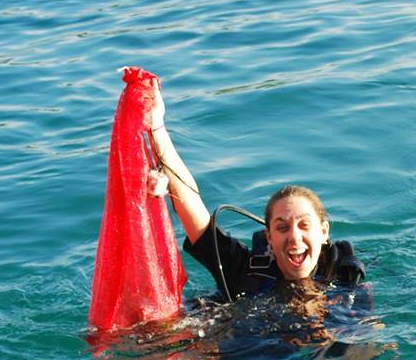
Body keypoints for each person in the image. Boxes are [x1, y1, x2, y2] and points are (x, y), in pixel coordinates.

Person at [147, 85, 366, 304]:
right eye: (282, 227)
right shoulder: (242, 271)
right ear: (269, 237)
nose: (294, 237)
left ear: (324, 231)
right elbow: (193, 208)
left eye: (304, 225)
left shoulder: (345, 280)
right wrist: (157, 127)